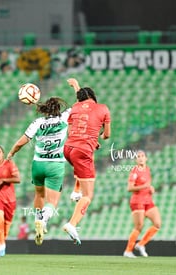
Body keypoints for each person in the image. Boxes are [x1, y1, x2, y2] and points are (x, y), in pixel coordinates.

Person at [7, 97, 70, 245]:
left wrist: (11, 153)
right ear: (58, 108)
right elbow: (80, 105)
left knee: (39, 194)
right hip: (56, 164)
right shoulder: (65, 117)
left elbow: (20, 142)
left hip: (38, 164)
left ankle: (37, 219)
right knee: (52, 201)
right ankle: (44, 221)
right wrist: (76, 87)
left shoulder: (38, 122)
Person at [62, 78, 111, 245]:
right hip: (82, 151)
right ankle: (72, 224)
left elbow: (70, 131)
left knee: (85, 158)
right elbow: (106, 135)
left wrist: (76, 86)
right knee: (88, 195)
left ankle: (76, 191)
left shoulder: (75, 108)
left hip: (68, 149)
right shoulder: (103, 108)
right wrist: (98, 136)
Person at [123, 150, 162, 258]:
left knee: (157, 223)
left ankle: (140, 244)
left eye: (142, 156)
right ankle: (128, 250)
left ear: (146, 158)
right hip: (137, 201)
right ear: (136, 160)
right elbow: (130, 188)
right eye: (138, 156)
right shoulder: (135, 172)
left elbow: (147, 184)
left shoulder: (147, 169)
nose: (140, 158)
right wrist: (144, 186)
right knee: (139, 226)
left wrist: (150, 188)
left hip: (148, 200)